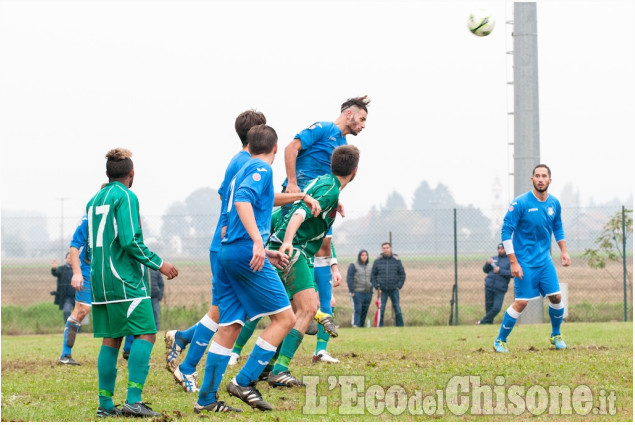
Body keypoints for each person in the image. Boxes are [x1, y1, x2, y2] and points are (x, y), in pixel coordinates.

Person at [165, 110, 319, 395]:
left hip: (232, 245)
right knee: (228, 314)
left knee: (229, 318)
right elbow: (241, 200)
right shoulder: (252, 164)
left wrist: (298, 195)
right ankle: (199, 362)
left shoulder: (243, 162)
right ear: (261, 138)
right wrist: (256, 242)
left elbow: (242, 197)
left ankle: (195, 369)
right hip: (237, 246)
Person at [193, 124, 299, 413]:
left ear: (249, 147)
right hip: (244, 253)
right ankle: (244, 381)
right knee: (285, 319)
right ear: (275, 148)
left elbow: (233, 212)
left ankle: (206, 399)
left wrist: (264, 248)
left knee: (230, 326)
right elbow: (242, 201)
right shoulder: (262, 170)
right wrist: (256, 242)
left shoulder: (241, 169)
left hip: (229, 253)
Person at [88, 148, 178, 418]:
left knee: (112, 338)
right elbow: (130, 241)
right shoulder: (127, 196)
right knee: (146, 332)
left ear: (107, 173)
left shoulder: (94, 200)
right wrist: (160, 264)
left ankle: (105, 405)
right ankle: (133, 400)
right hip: (123, 278)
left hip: (99, 278)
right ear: (131, 174)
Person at [283, 95, 370, 362]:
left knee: (321, 248)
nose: (364, 126)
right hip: (299, 203)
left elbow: (329, 181)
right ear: (348, 115)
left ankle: (312, 316)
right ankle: (307, 308)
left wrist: (335, 199)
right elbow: (290, 148)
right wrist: (293, 184)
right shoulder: (323, 129)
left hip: (320, 204)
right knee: (307, 251)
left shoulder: (342, 146)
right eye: (362, 119)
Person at [266, 145, 360, 385]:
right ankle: (279, 370)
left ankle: (266, 367)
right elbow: (299, 211)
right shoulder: (329, 190)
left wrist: (333, 203)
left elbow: (309, 197)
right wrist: (288, 241)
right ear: (355, 171)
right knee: (305, 310)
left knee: (288, 314)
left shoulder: (326, 184)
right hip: (291, 249)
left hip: (288, 246)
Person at [494, 164, 571, 353]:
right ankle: (500, 340)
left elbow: (558, 227)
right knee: (521, 302)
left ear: (549, 180)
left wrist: (564, 251)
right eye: (537, 175)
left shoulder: (554, 203)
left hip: (545, 261)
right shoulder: (520, 203)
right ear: (532, 179)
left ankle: (556, 334)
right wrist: (513, 261)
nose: (540, 179)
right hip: (524, 263)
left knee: (556, 296)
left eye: (544, 176)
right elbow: (506, 232)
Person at [57, 216, 92, 366]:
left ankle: (128, 350)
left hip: (111, 271)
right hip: (88, 270)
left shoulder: (124, 210)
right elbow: (75, 245)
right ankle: (65, 355)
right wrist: (77, 272)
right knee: (82, 310)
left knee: (121, 307)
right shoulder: (90, 215)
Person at [371, 242, 406, 327]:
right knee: (381, 310)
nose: (386, 250)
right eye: (384, 248)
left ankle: (400, 327)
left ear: (390, 249)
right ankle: (380, 326)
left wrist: (399, 285)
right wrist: (376, 286)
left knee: (397, 309)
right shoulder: (377, 261)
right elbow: (372, 275)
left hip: (394, 289)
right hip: (382, 290)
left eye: (387, 248)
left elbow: (402, 274)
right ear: (382, 249)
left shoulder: (396, 261)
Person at [477, 243, 512, 325]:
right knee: (488, 307)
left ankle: (482, 321)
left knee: (496, 308)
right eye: (499, 249)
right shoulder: (494, 258)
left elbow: (512, 274)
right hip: (489, 286)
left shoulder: (510, 261)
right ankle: (488, 324)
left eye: (502, 249)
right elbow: (485, 270)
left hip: (500, 288)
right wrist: (487, 263)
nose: (500, 250)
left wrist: (500, 271)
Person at [347, 249, 374, 328]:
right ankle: (356, 325)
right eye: (362, 255)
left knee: (365, 310)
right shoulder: (353, 265)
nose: (364, 257)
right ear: (359, 256)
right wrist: (352, 290)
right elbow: (350, 278)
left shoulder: (369, 266)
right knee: (357, 309)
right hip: (357, 292)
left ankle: (362, 326)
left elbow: (372, 278)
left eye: (366, 255)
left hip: (368, 292)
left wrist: (371, 289)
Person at [50, 253, 75, 323]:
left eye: (72, 258)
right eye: (69, 258)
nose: (70, 259)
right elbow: (55, 273)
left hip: (78, 296)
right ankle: (69, 329)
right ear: (66, 259)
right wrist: (54, 268)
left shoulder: (79, 269)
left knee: (79, 314)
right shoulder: (61, 269)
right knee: (66, 311)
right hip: (67, 298)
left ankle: (78, 330)